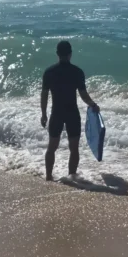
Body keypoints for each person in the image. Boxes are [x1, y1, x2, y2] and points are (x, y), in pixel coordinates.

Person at [40, 40, 99, 182]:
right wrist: (93, 104)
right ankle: (72, 177)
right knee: (74, 148)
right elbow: (83, 95)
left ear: (57, 53)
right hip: (72, 113)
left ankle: (48, 177)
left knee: (52, 147)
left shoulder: (49, 72)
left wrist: (43, 114)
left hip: (56, 113)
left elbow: (44, 95)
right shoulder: (77, 72)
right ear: (70, 54)